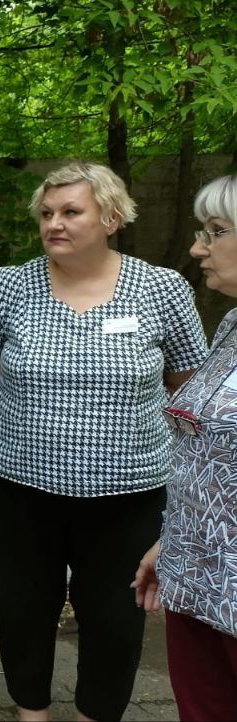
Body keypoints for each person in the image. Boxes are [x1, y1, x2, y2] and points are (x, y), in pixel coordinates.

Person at [0, 161, 207, 722]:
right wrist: (32, 411)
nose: (54, 223)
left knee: (115, 617)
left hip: (130, 491)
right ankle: (32, 714)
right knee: (24, 608)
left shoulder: (162, 289)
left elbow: (191, 385)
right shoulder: (10, 286)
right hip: (21, 486)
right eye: (47, 213)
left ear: (111, 218)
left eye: (71, 211)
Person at [132, 173, 237, 720]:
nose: (198, 248)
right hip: (195, 578)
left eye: (216, 231)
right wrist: (171, 542)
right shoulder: (232, 325)